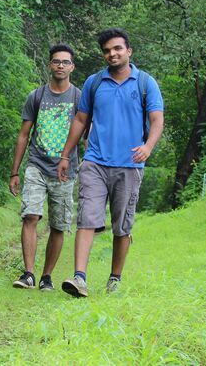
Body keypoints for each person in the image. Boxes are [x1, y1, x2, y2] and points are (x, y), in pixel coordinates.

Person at [57, 28, 164, 297]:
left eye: (117, 48)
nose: (112, 54)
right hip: (95, 161)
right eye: (107, 50)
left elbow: (157, 119)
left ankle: (115, 278)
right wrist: (65, 155)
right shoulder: (94, 83)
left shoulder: (145, 83)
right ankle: (79, 277)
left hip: (129, 165)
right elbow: (81, 120)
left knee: (122, 225)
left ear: (129, 51)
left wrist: (148, 147)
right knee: (86, 218)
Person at [10, 44, 81, 292]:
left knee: (59, 225)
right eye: (56, 61)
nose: (60, 66)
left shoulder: (79, 98)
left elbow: (87, 131)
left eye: (65, 62)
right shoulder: (36, 96)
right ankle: (29, 273)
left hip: (66, 171)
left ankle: (46, 276)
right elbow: (23, 136)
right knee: (30, 215)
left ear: (72, 67)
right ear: (49, 65)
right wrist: (15, 171)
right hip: (36, 166)